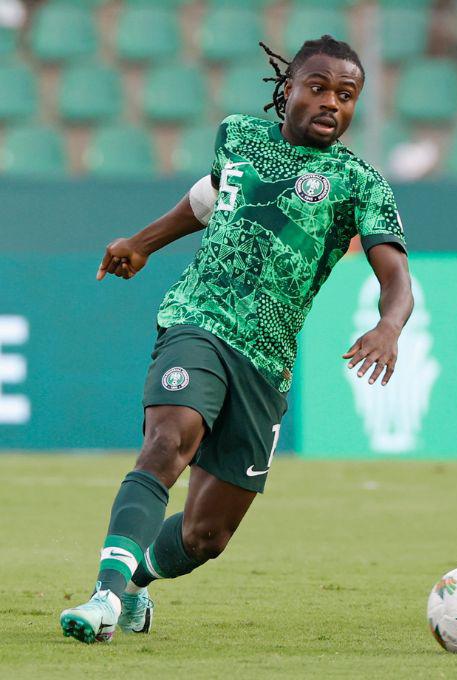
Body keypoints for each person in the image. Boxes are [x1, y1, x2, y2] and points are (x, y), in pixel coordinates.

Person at [59, 35, 413, 644]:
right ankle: (104, 599)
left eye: (346, 95)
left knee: (206, 536)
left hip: (266, 360)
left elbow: (397, 277)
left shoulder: (361, 183)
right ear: (289, 89)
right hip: (198, 318)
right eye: (318, 88)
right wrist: (143, 243)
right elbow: (208, 197)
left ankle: (136, 582)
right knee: (168, 440)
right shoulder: (238, 136)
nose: (331, 102)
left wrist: (389, 325)